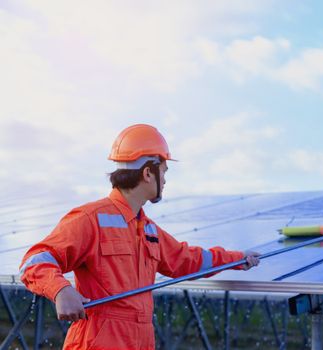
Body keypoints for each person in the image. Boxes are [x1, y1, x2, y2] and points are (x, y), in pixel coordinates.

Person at [19, 124, 260, 349]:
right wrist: (61, 290)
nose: (164, 180)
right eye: (164, 171)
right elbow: (35, 261)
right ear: (147, 173)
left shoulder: (149, 230)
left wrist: (238, 259)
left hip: (142, 338)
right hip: (99, 340)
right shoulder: (90, 218)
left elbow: (189, 260)